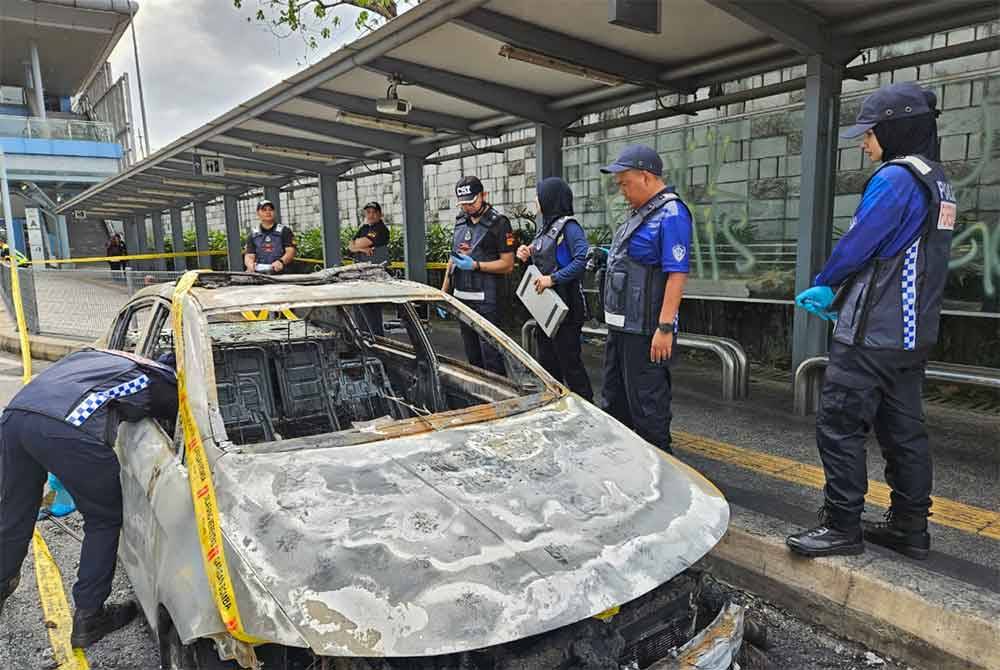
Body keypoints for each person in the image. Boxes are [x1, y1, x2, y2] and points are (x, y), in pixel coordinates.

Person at [786, 82, 954, 560]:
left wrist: (827, 281)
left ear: (896, 129)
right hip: (911, 334)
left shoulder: (896, 178)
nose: (864, 143)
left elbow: (861, 241)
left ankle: (842, 526)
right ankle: (909, 527)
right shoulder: (937, 180)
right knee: (904, 432)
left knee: (840, 424)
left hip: (871, 331)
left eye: (870, 133)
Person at [0, 349, 178, 647]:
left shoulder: (106, 357)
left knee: (14, 511)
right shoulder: (159, 380)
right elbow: (179, 420)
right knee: (103, 519)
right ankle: (89, 617)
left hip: (15, 416)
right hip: (69, 426)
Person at [599, 145, 693, 454]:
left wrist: (664, 327)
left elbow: (677, 274)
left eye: (625, 183)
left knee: (648, 408)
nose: (622, 191)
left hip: (646, 331)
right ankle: (625, 464)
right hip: (622, 327)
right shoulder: (639, 214)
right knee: (615, 401)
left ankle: (661, 467)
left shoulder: (672, 213)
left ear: (646, 176)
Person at [517, 177, 593, 401]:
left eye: (539, 195)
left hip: (566, 306)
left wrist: (554, 279)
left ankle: (586, 406)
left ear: (550, 198)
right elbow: (542, 253)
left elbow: (582, 259)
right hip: (546, 309)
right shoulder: (546, 227)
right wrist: (527, 252)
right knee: (548, 363)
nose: (536, 199)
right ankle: (555, 404)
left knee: (570, 363)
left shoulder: (569, 227)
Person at [441, 176, 515, 376]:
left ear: (484, 195)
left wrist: (476, 265)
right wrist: (444, 293)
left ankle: (498, 392)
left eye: (471, 202)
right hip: (462, 298)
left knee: (491, 357)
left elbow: (508, 264)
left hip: (487, 301)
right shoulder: (460, 222)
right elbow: (453, 258)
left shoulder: (499, 223)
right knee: (473, 357)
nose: (468, 207)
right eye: (463, 204)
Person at [349, 201, 391, 336]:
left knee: (372, 308)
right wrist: (361, 249)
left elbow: (361, 242)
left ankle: (376, 338)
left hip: (374, 275)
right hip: (361, 273)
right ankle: (364, 336)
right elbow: (350, 245)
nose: (371, 215)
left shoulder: (380, 229)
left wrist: (358, 245)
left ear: (380, 214)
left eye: (374, 212)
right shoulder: (364, 228)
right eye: (368, 212)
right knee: (360, 306)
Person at [244, 199, 295, 274]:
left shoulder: (284, 231)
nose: (268, 212)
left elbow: (290, 251)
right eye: (264, 210)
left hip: (282, 274)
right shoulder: (253, 234)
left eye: (270, 209)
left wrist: (281, 262)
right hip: (260, 275)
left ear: (274, 212)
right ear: (258, 213)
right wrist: (250, 265)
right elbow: (249, 255)